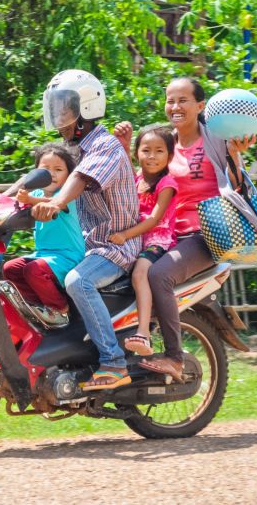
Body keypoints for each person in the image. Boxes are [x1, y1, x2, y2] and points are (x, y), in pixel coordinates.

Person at [113, 78, 257, 381]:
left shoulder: (216, 141)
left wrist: (235, 154)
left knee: (159, 275)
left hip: (204, 235)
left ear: (200, 106)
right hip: (166, 235)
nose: (175, 107)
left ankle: (174, 358)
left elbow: (237, 186)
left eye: (183, 100)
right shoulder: (166, 143)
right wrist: (124, 146)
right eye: (170, 100)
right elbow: (142, 185)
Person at [31, 70, 141, 391]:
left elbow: (78, 179)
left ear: (87, 108)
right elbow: (43, 179)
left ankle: (113, 361)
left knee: (77, 281)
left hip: (115, 245)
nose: (59, 117)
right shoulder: (77, 149)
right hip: (90, 246)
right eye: (56, 108)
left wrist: (57, 202)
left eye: (65, 108)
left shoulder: (103, 146)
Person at [0, 143, 85, 314]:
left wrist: (29, 199)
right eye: (45, 169)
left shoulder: (66, 196)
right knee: (10, 269)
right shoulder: (37, 194)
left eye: (58, 170)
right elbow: (9, 203)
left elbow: (54, 203)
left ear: (69, 175)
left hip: (67, 256)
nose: (52, 174)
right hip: (43, 255)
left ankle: (59, 309)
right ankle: (37, 308)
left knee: (33, 270)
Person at [107, 124, 178, 356]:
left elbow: (155, 219)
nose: (152, 156)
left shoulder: (167, 184)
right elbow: (125, 173)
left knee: (139, 274)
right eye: (146, 150)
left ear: (170, 156)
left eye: (159, 151)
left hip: (156, 240)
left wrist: (125, 235)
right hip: (137, 239)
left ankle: (143, 332)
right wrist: (124, 145)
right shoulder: (137, 179)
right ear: (138, 153)